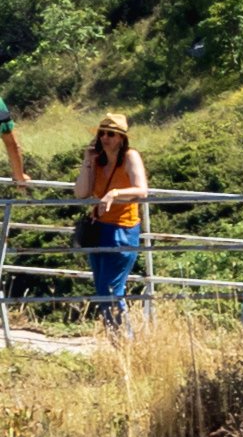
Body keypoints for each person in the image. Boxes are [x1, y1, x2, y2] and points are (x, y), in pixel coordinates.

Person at [0, 115, 143, 323]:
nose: (105, 138)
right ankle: (119, 338)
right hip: (98, 227)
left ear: (121, 138)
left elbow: (142, 190)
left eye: (111, 134)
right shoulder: (98, 160)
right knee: (102, 287)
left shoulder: (130, 157)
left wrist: (115, 193)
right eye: (101, 133)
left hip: (122, 229)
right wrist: (88, 160)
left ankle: (124, 338)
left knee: (111, 288)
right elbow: (80, 192)